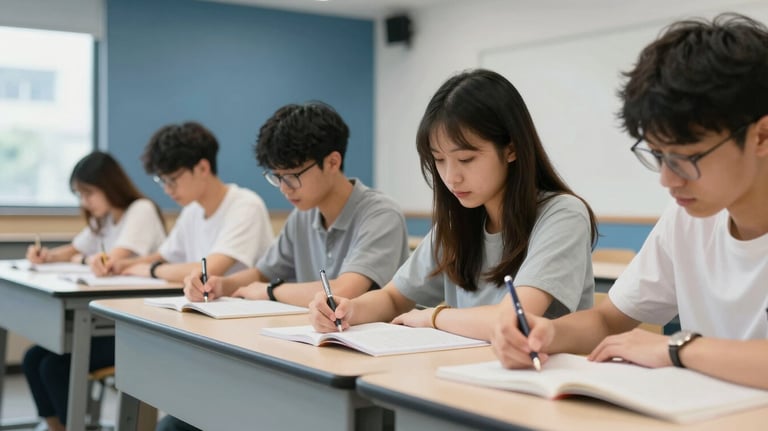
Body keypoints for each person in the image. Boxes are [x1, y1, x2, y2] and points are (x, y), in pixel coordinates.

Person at [491, 13, 768, 390]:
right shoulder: (687, 219)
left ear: (762, 136)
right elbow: (608, 321)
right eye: (657, 155)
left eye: (686, 158)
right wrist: (546, 334)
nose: (667, 179)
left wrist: (677, 348)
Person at [168, 104, 409, 431]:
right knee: (182, 418)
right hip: (309, 360)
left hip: (362, 373)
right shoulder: (303, 214)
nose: (284, 188)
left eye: (292, 175)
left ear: (333, 162)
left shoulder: (380, 215)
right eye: (276, 177)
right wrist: (219, 284)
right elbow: (260, 272)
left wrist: (270, 292)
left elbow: (343, 290)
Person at [309, 69, 597, 342]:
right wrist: (346, 310)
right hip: (464, 371)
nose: (450, 177)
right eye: (439, 159)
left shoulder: (562, 215)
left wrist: (435, 317)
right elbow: (394, 298)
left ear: (511, 149)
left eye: (466, 159)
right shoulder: (459, 221)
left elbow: (513, 319)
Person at [23, 151, 166, 431]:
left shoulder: (141, 210)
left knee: (54, 366)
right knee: (33, 358)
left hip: (130, 328)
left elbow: (107, 263)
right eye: (79, 195)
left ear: (109, 185)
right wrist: (46, 256)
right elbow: (77, 250)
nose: (84, 201)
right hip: (102, 321)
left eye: (88, 193)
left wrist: (81, 260)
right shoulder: (104, 218)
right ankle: (57, 427)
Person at [117, 121, 274, 282]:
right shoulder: (192, 210)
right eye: (162, 181)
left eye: (172, 180)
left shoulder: (246, 206)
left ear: (202, 168)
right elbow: (163, 256)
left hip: (243, 304)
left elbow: (208, 270)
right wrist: (122, 265)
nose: (167, 189)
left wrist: (153, 270)